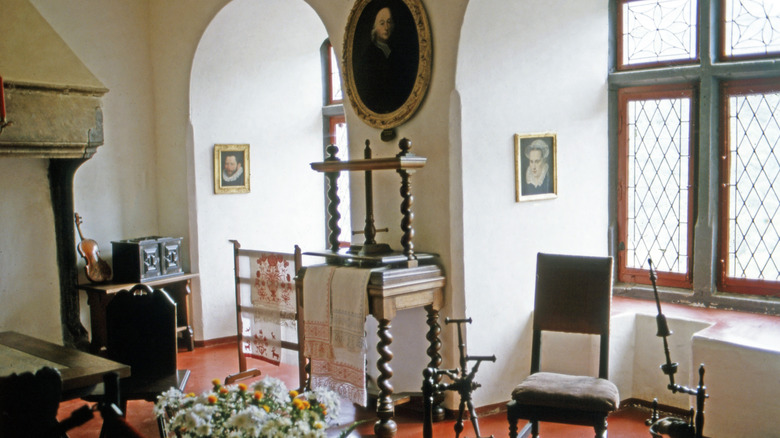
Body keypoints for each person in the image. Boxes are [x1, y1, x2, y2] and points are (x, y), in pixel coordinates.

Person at [354, 2, 416, 114]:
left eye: (389, 22)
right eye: (382, 23)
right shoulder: (369, 56)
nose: (386, 27)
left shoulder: (397, 52)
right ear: (374, 27)